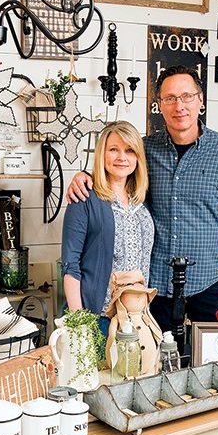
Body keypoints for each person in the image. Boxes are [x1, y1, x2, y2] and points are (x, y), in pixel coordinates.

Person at [66, 66, 218, 435]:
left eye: (186, 97)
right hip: (151, 289)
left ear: (200, 101)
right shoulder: (145, 149)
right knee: (149, 372)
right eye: (169, 99)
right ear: (158, 106)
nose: (178, 106)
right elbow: (112, 165)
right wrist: (80, 176)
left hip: (211, 284)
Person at [61, 120, 153, 337]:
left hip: (139, 317)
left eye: (130, 151)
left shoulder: (142, 201)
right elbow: (70, 266)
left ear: (138, 157)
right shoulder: (83, 198)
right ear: (102, 154)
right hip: (99, 319)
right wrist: (81, 325)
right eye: (114, 150)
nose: (122, 157)